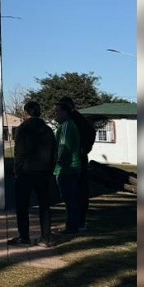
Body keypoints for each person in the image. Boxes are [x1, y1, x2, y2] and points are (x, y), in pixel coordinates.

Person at [10, 101, 56, 246]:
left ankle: (24, 237)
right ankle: (45, 237)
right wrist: (50, 169)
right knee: (44, 206)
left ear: (26, 112)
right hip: (44, 172)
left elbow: (19, 152)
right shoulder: (47, 130)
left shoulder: (23, 128)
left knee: (22, 205)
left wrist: (17, 169)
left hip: (26, 171)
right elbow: (54, 152)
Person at [60, 97, 96, 230]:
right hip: (81, 158)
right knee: (81, 191)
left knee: (72, 193)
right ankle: (80, 221)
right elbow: (91, 132)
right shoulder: (81, 119)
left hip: (73, 161)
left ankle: (73, 223)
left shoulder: (70, 122)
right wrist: (86, 148)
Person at [53, 100, 83, 236]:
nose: (55, 114)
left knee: (70, 199)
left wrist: (56, 161)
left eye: (57, 111)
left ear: (65, 112)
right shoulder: (65, 125)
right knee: (70, 199)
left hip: (67, 168)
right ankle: (72, 225)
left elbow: (63, 147)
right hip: (69, 168)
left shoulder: (66, 126)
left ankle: (72, 227)